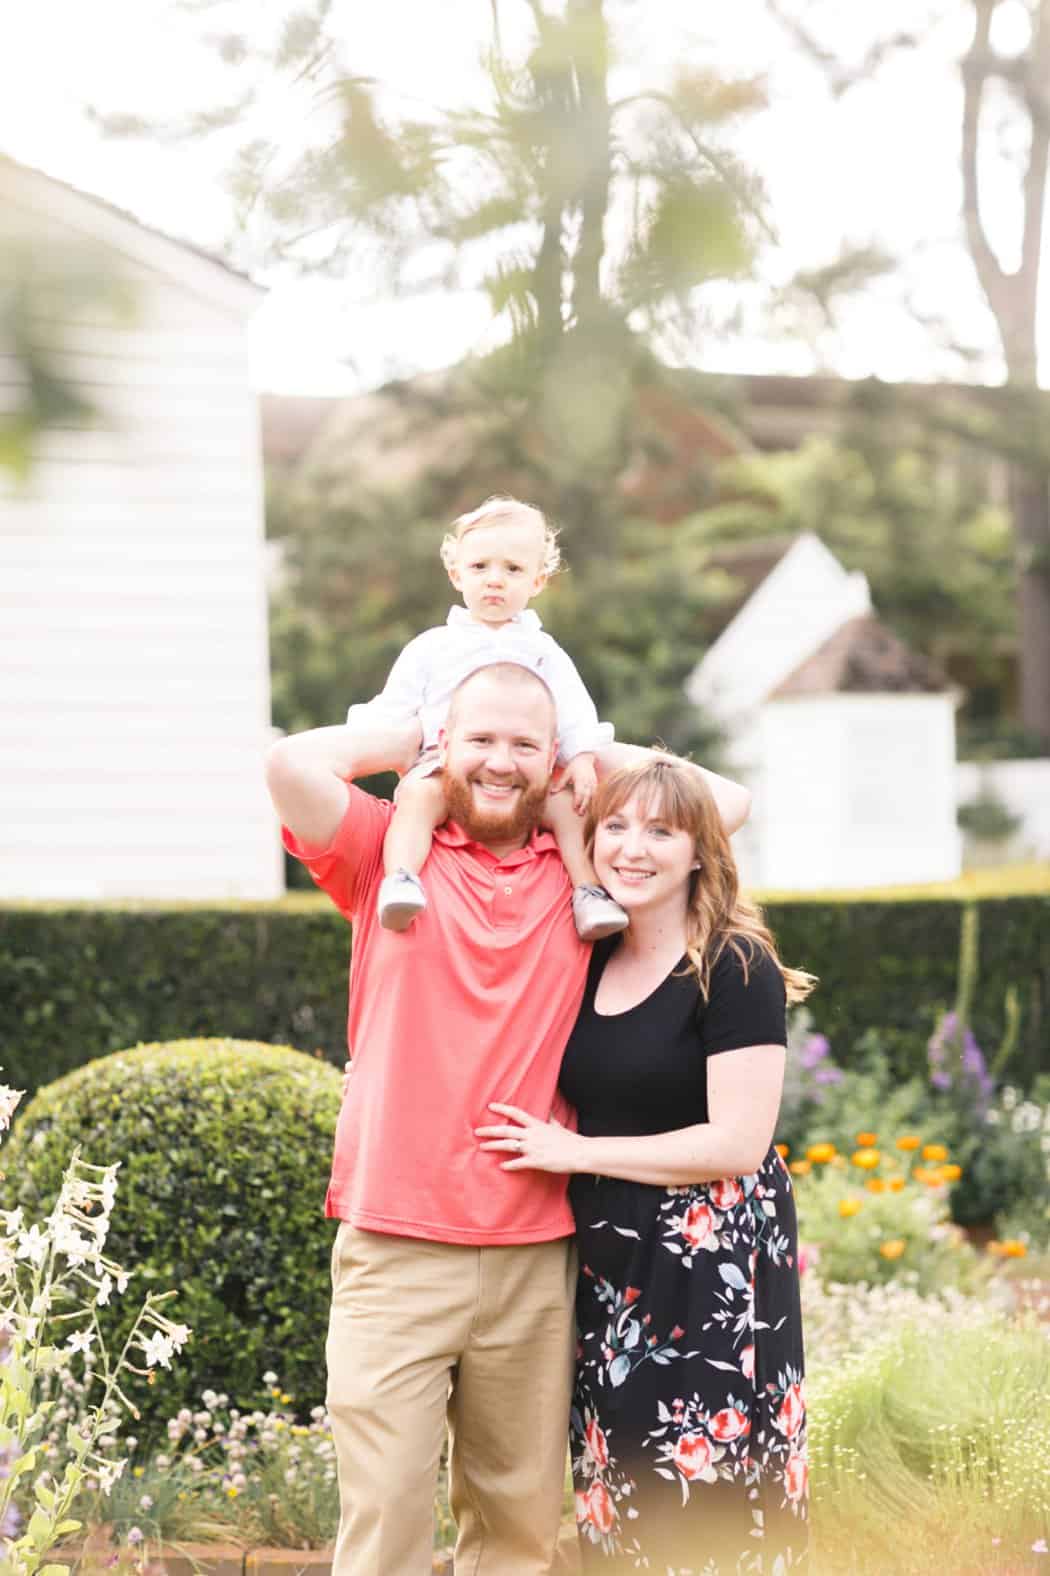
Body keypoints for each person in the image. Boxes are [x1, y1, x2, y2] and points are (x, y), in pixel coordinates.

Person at [265, 663, 752, 1576]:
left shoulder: (593, 875)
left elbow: (724, 802)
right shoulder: (386, 855)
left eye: (525, 744)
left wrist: (585, 749)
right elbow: (290, 765)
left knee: (519, 1534)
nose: (500, 762)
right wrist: (405, 737)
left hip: (537, 1249)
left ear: (553, 754)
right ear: (447, 743)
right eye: (479, 738)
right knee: (384, 1528)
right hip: (395, 1247)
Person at [476, 755, 814, 1573]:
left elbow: (739, 1141)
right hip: (610, 1260)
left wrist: (577, 1152)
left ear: (702, 849)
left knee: (701, 1495)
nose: (633, 848)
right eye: (615, 827)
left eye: (662, 831)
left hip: (710, 1263)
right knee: (615, 1481)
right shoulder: (586, 950)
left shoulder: (733, 964)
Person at [345, 494, 629, 941]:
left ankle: (588, 893)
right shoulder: (433, 646)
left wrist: (581, 756)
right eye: (480, 568)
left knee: (568, 810)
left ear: (537, 581)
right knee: (417, 800)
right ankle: (401, 879)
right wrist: (368, 741)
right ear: (457, 574)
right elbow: (394, 706)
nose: (495, 580)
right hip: (444, 765)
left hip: (527, 773)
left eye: (512, 569)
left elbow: (574, 708)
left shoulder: (542, 650)